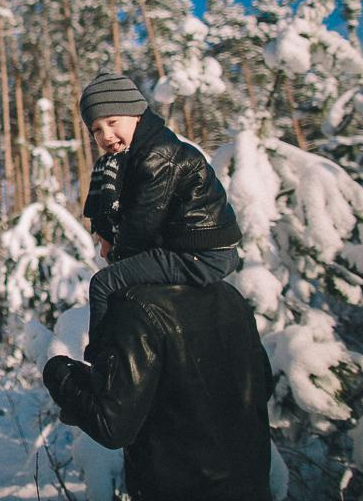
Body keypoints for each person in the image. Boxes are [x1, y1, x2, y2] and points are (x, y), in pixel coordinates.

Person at [42, 280, 274, 500]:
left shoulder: (139, 307)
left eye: (103, 239)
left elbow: (112, 424)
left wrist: (60, 374)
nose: (102, 252)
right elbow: (262, 385)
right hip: (250, 489)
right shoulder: (228, 295)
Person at [78, 72, 242, 347]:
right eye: (96, 129)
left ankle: (104, 363)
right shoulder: (134, 155)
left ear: (137, 115)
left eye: (112, 122)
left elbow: (142, 220)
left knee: (104, 284)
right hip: (186, 247)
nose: (106, 135)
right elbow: (122, 209)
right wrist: (106, 234)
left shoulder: (157, 154)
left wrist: (119, 257)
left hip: (200, 253)